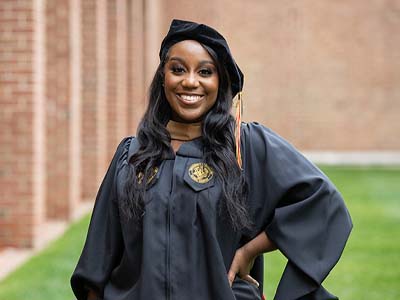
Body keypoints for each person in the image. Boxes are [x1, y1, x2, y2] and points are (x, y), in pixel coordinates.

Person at [71, 19, 352, 300]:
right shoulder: (133, 156)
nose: (190, 81)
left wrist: (250, 250)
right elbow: (97, 264)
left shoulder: (244, 147)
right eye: (178, 69)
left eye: (205, 71)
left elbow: (322, 204)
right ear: (163, 77)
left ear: (220, 82)